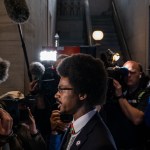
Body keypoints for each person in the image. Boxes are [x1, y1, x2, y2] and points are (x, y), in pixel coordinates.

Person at [55, 53, 117, 150]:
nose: (56, 95)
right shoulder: (75, 126)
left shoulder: (100, 144)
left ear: (82, 94)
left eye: (61, 89)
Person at [100, 60, 150, 150]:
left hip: (135, 145)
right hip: (116, 144)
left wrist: (120, 96)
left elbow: (137, 119)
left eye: (132, 72)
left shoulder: (146, 94)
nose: (129, 75)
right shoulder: (116, 90)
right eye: (126, 72)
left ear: (140, 74)